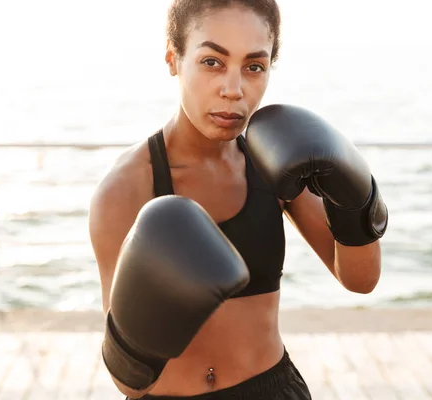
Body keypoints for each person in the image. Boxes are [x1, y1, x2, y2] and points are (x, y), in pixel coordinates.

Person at [88, 0, 388, 399]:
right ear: (173, 59)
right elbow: (128, 380)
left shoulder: (272, 163)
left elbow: (360, 279)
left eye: (254, 66)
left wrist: (355, 198)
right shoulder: (126, 187)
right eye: (212, 62)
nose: (234, 90)